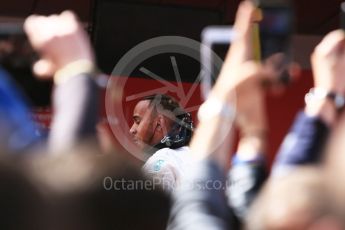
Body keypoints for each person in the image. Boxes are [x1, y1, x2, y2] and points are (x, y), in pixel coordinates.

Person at [130, 94, 193, 191]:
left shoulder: (158, 162)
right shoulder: (192, 155)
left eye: (138, 121)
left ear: (159, 124)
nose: (132, 130)